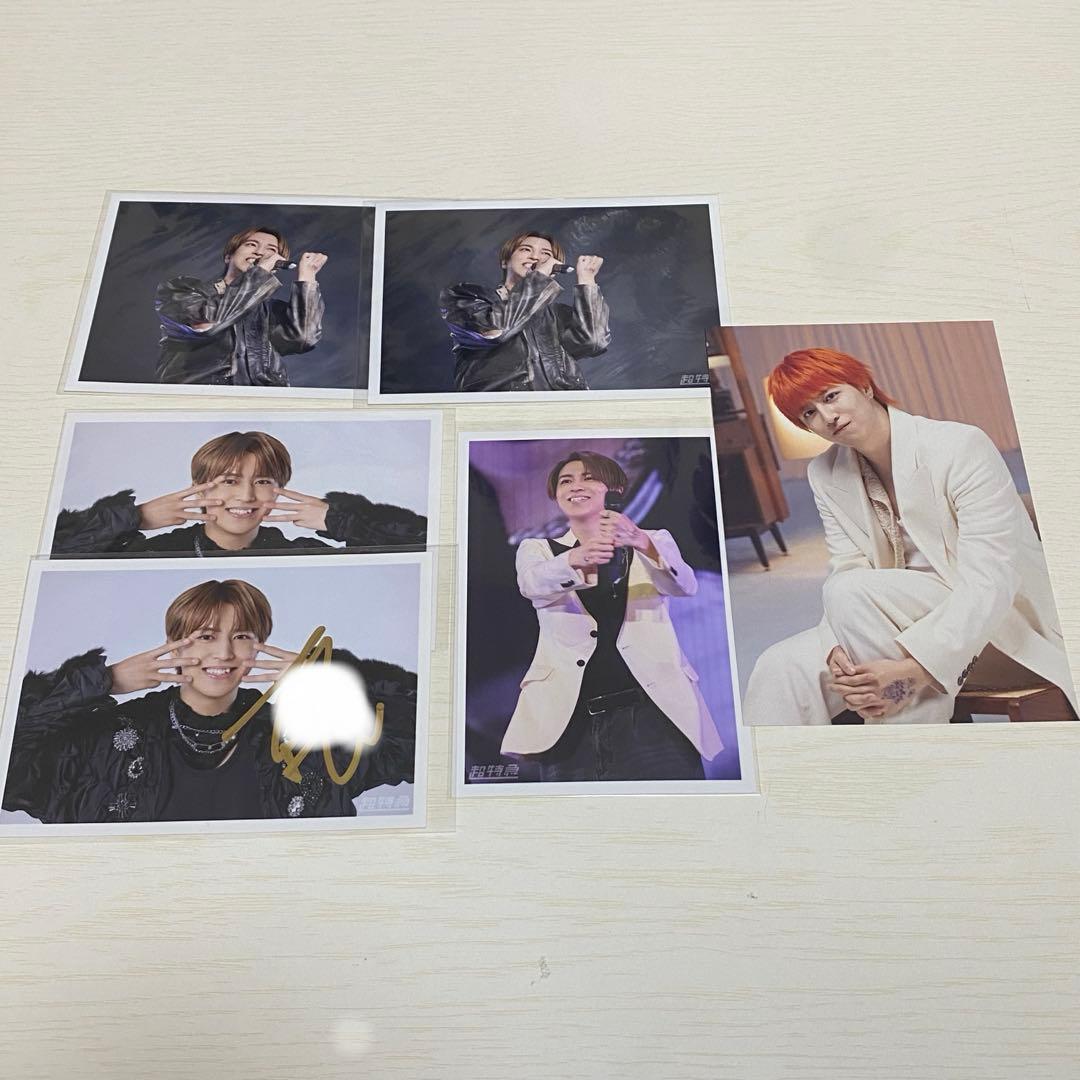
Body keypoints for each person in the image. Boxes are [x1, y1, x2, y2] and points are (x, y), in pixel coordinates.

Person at [744, 348, 1078, 725]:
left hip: (998, 630)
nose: (827, 416)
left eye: (831, 396)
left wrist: (916, 671)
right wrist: (833, 644)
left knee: (853, 592)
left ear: (864, 386)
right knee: (779, 667)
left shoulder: (958, 445)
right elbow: (847, 566)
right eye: (809, 413)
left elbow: (991, 582)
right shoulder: (825, 472)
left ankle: (911, 750)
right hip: (885, 620)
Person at [2, 579, 417, 823]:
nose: (223, 654)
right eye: (205, 636)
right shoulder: (108, 736)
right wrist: (102, 681)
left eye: (242, 637)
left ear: (259, 646)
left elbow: (421, 741)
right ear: (174, 643)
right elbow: (11, 759)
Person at [501, 450, 722, 782]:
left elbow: (685, 585)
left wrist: (640, 541)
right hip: (570, 723)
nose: (576, 486)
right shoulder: (539, 550)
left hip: (652, 714)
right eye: (565, 481)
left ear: (614, 489)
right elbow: (531, 585)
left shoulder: (653, 540)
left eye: (589, 477)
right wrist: (576, 558)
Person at [51, 430, 427, 557]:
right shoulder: (151, 553)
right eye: (229, 481)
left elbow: (429, 553)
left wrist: (341, 521)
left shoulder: (300, 553)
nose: (246, 496)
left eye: (262, 481)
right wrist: (135, 518)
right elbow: (45, 557)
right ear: (199, 487)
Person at [438, 230, 611, 392]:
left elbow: (593, 342)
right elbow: (496, 331)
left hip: (563, 402)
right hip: (501, 402)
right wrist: (539, 277)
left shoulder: (556, 314)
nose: (536, 257)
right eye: (526, 249)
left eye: (546, 254)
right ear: (505, 261)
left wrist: (587, 280)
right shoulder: (465, 296)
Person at [155, 225, 327, 386]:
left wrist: (307, 277)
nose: (260, 252)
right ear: (228, 256)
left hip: (263, 399)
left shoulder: (268, 311)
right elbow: (210, 323)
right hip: (203, 395)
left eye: (271, 250)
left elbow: (303, 339)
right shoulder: (182, 289)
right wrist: (260, 273)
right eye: (251, 244)